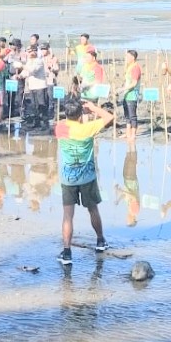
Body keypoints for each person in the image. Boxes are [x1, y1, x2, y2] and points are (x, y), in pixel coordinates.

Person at [53, 97, 113, 265]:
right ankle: (100, 241)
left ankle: (66, 252)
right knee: (93, 209)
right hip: (87, 177)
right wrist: (93, 108)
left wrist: (79, 113)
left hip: (68, 178)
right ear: (80, 115)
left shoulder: (60, 127)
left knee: (67, 216)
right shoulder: (88, 128)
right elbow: (109, 118)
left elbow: (69, 120)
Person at [121, 50, 142, 140]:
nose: (126, 58)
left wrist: (122, 89)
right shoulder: (129, 67)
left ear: (133, 58)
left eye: (127, 57)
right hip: (126, 94)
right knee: (127, 115)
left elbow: (134, 83)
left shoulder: (135, 68)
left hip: (132, 94)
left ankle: (133, 134)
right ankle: (127, 132)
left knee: (132, 115)